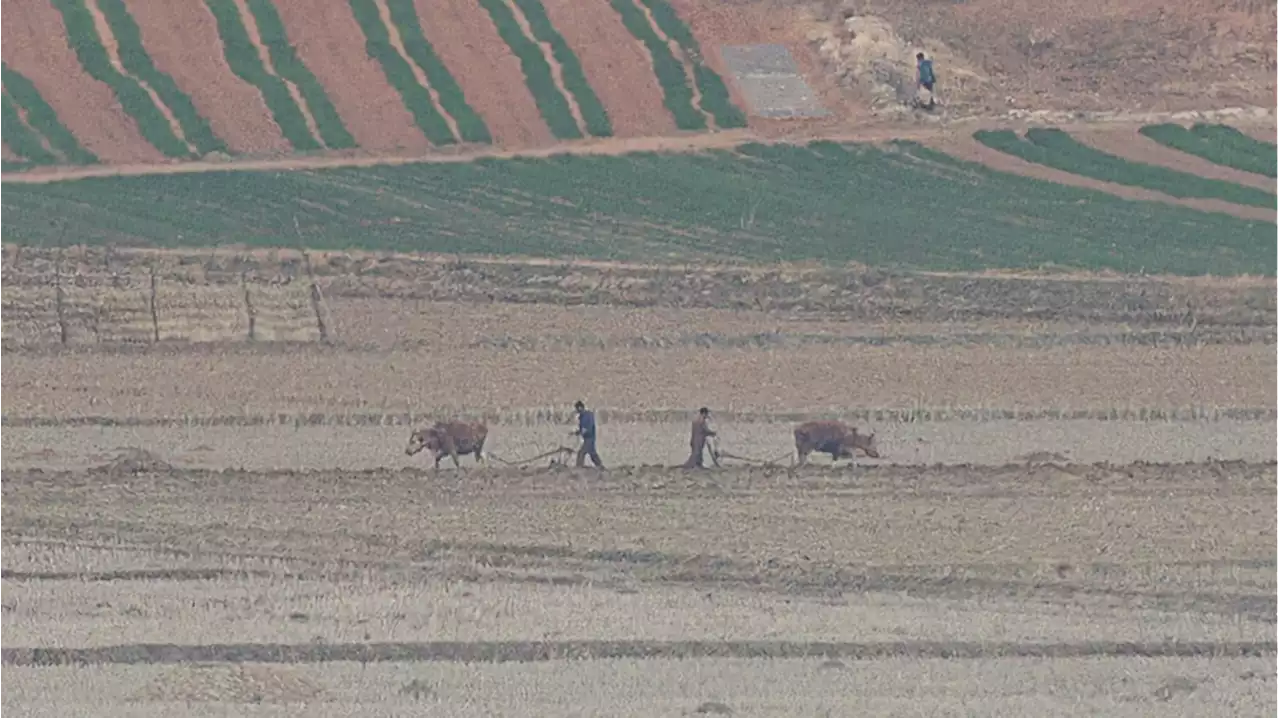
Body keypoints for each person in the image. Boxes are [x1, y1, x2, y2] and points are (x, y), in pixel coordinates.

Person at [571, 400, 604, 468]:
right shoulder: (583, 416)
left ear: (580, 408)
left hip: (589, 438)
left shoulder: (587, 416)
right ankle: (600, 467)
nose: (576, 411)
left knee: (581, 453)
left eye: (577, 409)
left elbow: (586, 428)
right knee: (593, 454)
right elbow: (583, 429)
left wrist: (580, 432)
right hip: (588, 438)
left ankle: (578, 469)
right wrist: (576, 432)